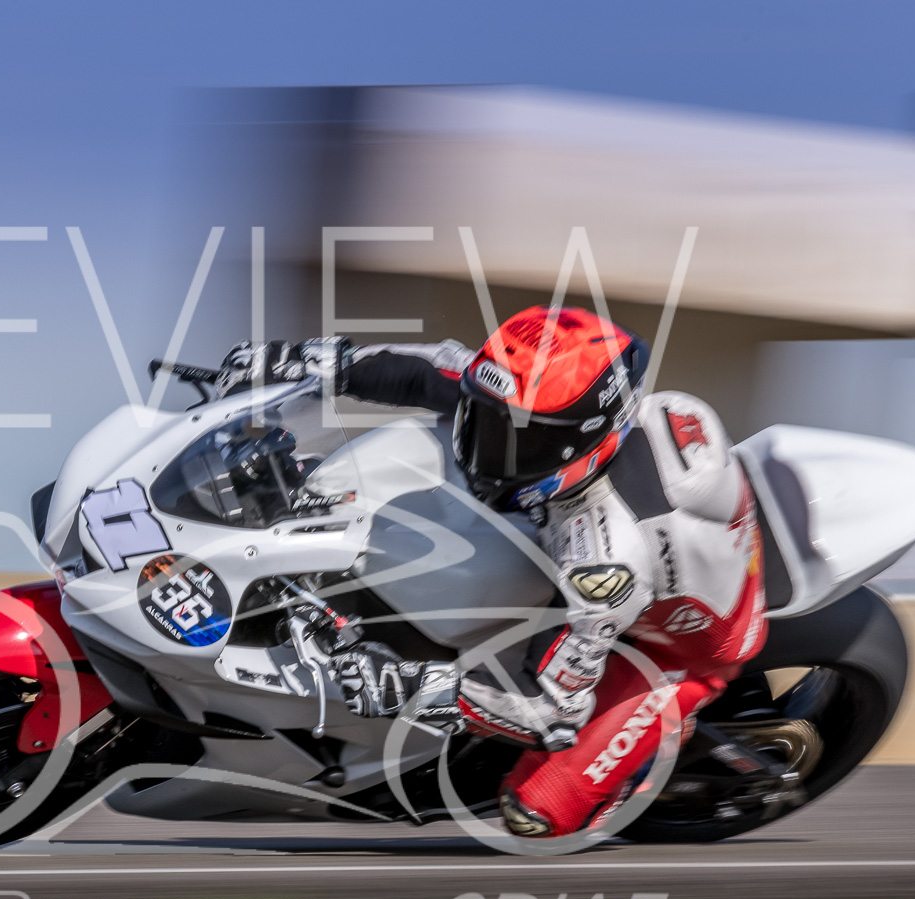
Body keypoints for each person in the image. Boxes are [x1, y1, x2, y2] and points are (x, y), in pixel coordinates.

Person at [219, 305, 768, 838]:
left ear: (586, 436)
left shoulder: (604, 560)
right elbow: (437, 370)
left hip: (677, 648)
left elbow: (552, 710)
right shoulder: (543, 410)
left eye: (520, 437)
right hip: (656, 550)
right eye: (487, 418)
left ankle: (649, 756)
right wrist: (312, 361)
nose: (488, 444)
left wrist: (409, 685)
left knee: (535, 817)